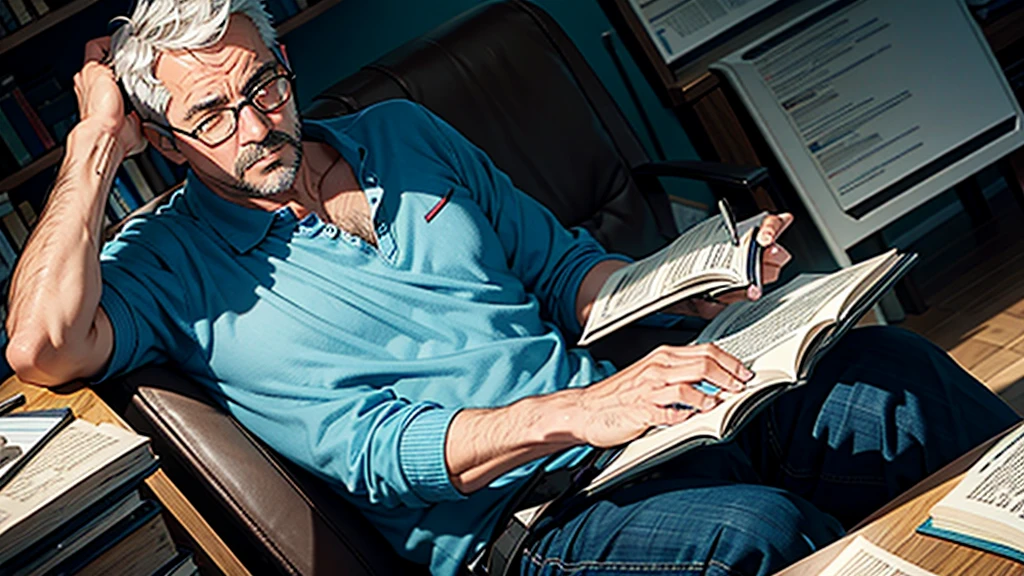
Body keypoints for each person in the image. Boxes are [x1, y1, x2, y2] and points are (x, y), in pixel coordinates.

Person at [5, 1, 1018, 575]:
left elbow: (567, 273)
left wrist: (683, 287)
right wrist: (93, 140)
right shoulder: (164, 268)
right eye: (211, 115)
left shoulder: (401, 136)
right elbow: (39, 346)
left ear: (282, 61)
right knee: (753, 534)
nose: (258, 124)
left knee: (891, 377)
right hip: (520, 525)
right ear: (164, 140)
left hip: (633, 425)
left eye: (263, 84)